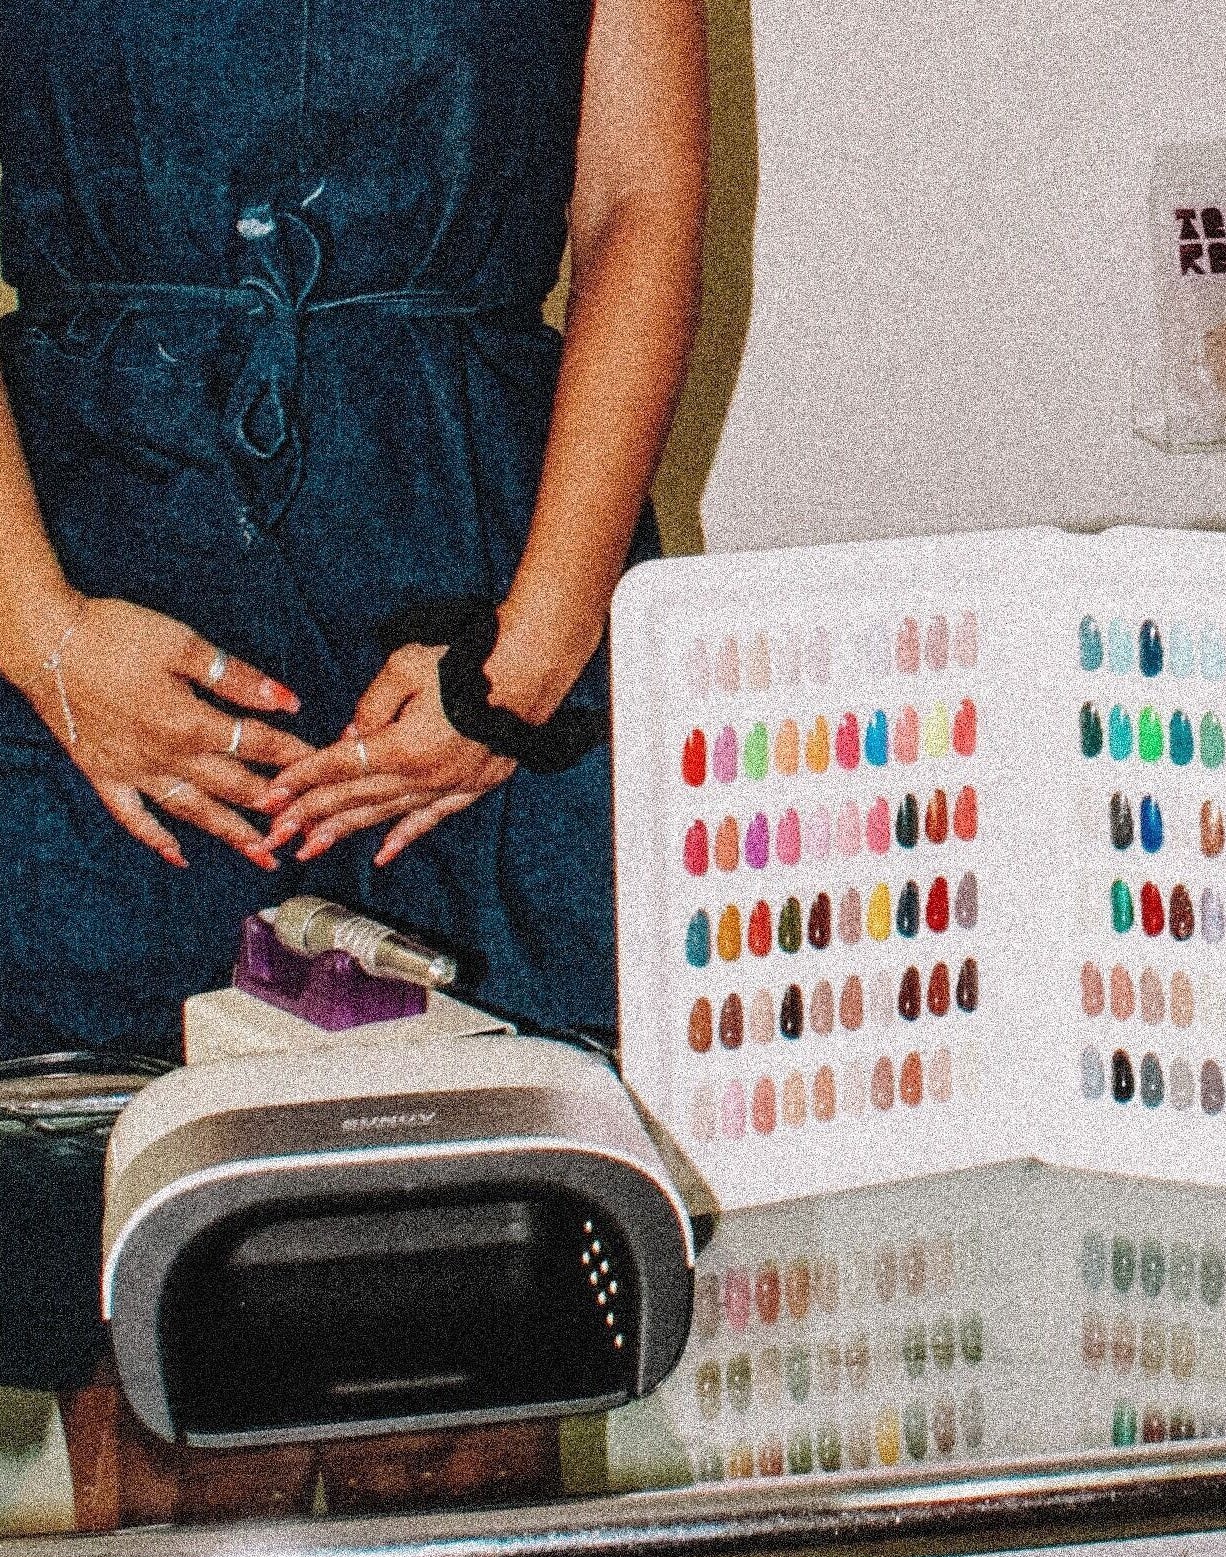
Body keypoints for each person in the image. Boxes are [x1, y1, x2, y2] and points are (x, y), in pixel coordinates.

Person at [0, 0, 708, 1054]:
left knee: (530, 1153)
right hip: (88, 609)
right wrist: (36, 632)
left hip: (489, 606)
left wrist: (531, 658)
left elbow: (637, 204)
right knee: (74, 1152)